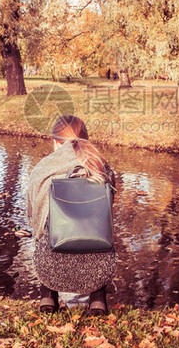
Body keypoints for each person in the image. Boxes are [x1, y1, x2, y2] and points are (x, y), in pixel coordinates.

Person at [25, 115, 116, 316]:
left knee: (42, 230)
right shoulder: (102, 169)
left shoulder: (42, 169)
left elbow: (32, 215)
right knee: (97, 226)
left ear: (55, 141)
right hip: (98, 268)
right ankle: (98, 300)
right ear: (86, 139)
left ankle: (48, 296)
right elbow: (108, 212)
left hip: (50, 266)